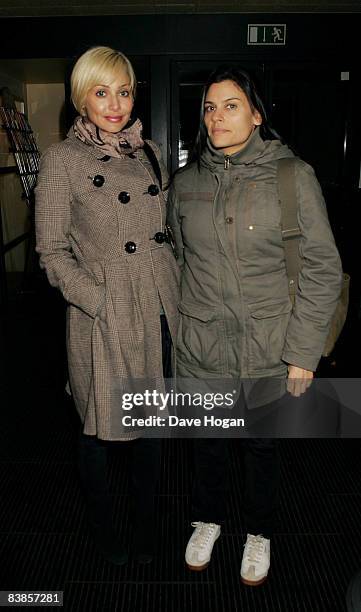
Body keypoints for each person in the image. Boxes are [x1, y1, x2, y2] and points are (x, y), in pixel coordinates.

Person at [167, 65, 343, 585]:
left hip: (269, 347)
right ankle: (208, 520)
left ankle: (259, 531)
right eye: (209, 107)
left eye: (231, 105)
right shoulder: (185, 182)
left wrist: (304, 353)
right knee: (207, 443)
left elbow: (322, 266)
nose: (217, 117)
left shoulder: (292, 177)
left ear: (257, 113)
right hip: (202, 348)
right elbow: (179, 262)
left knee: (262, 447)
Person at [35, 46, 179, 564]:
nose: (115, 104)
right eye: (102, 92)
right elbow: (51, 250)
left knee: (152, 430)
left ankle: (144, 525)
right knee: (98, 427)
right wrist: (97, 300)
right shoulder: (62, 159)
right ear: (82, 98)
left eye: (123, 91)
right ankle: (103, 531)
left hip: (160, 305)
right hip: (104, 314)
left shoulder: (152, 151)